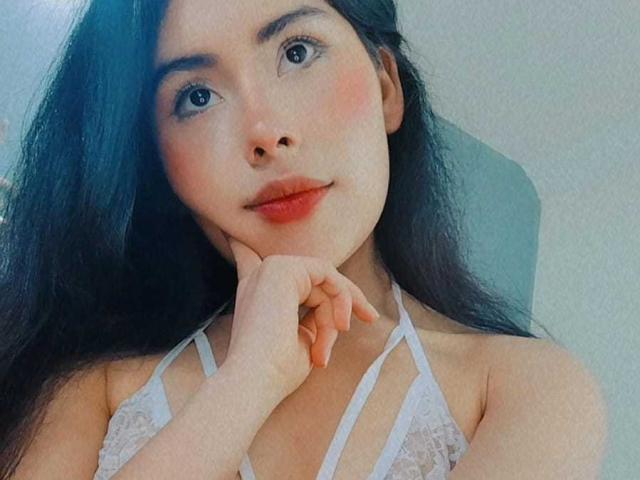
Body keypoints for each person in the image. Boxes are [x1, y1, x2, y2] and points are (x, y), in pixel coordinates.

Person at [0, 1, 608, 479]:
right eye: (197, 97)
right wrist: (247, 383)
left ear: (387, 86)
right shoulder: (92, 387)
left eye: (297, 51)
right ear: (159, 164)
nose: (266, 133)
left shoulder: (523, 388)